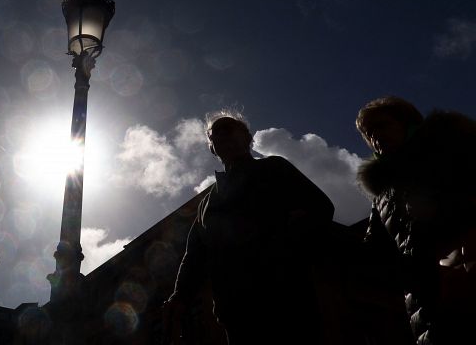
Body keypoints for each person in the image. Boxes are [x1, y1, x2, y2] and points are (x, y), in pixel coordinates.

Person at [163, 112, 334, 344]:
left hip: (286, 297)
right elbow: (194, 255)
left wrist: (284, 246)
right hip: (236, 311)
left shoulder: (274, 168)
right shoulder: (208, 203)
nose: (225, 136)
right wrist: (179, 297)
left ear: (248, 138)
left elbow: (320, 207)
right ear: (212, 148)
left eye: (231, 129)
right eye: (217, 135)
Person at [356, 96, 476, 344]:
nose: (375, 137)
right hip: (426, 301)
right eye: (368, 134)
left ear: (406, 122)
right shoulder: (382, 194)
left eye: (382, 125)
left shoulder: (452, 147)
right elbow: (374, 250)